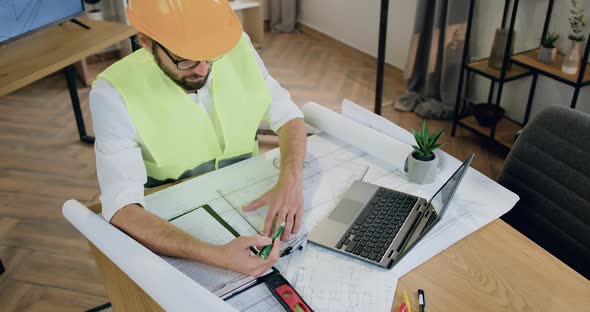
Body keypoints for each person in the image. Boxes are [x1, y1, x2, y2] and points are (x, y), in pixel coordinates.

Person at [89, 0, 307, 277]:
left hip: (244, 197)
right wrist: (214, 255)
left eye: (210, 56)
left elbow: (289, 117)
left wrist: (291, 178)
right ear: (145, 41)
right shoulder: (112, 94)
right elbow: (121, 208)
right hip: (177, 220)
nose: (203, 70)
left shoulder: (236, 46)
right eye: (185, 58)